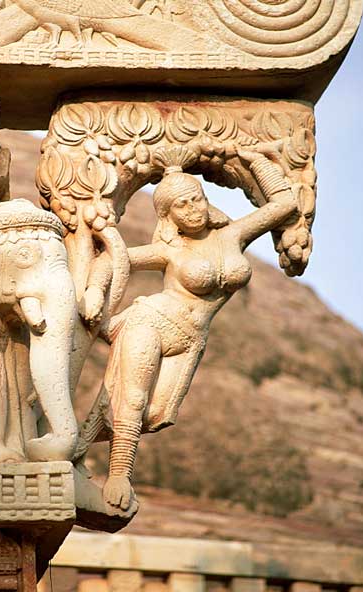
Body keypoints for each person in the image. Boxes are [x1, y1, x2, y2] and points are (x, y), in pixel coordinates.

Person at [81, 143, 300, 511]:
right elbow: (110, 261)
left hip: (191, 339)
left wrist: (254, 159)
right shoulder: (169, 251)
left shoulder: (232, 236)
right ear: (168, 216)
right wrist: (94, 296)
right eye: (182, 206)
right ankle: (119, 474)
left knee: (154, 415)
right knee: (132, 400)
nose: (193, 210)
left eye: (197, 199)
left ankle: (77, 445)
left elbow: (283, 205)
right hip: (151, 320)